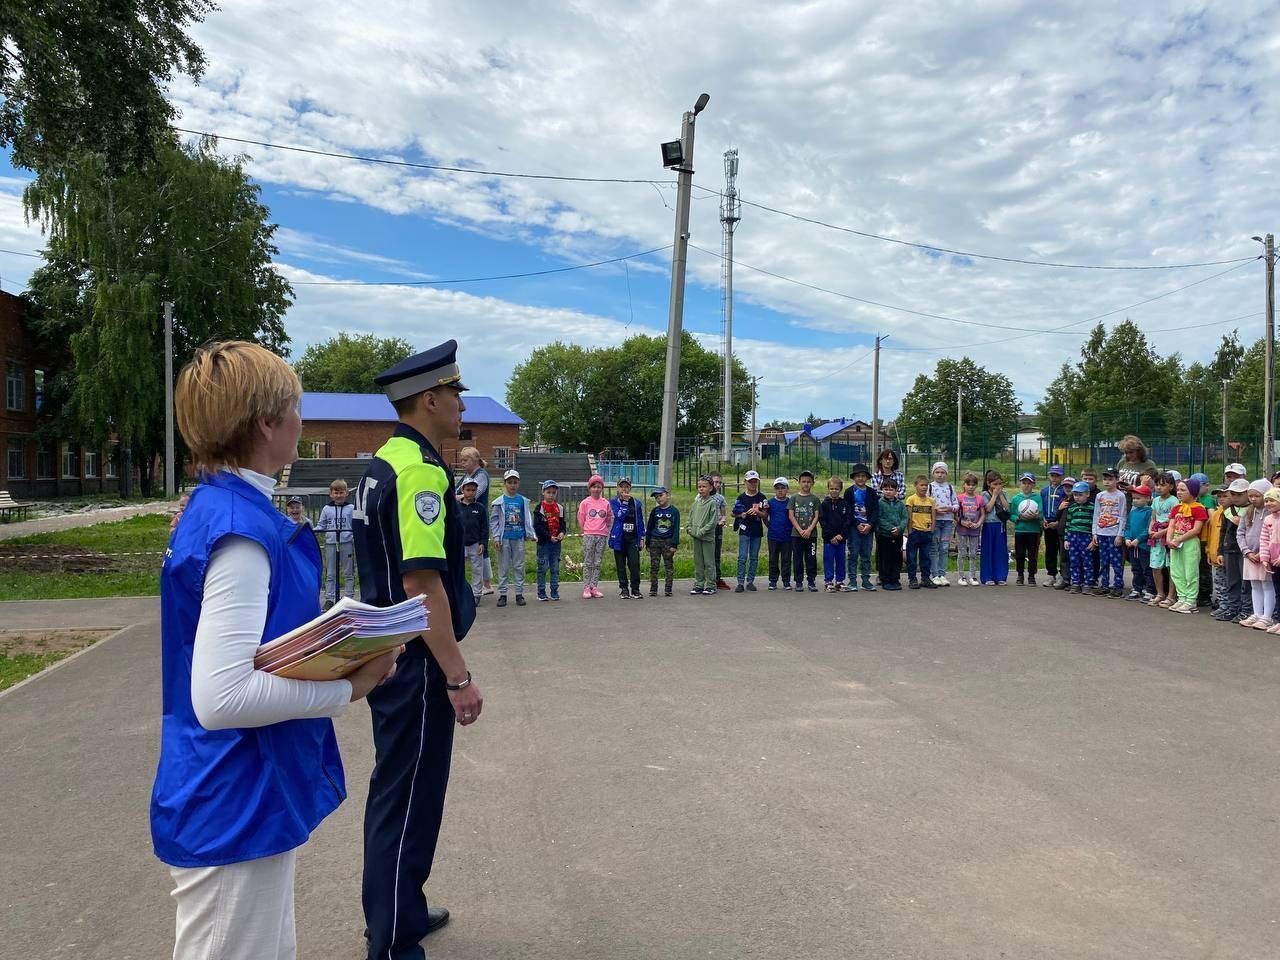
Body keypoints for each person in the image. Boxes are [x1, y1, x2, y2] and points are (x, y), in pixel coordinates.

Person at [154, 340, 399, 960]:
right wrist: (350, 686)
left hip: (240, 793)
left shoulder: (229, 508)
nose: (302, 423)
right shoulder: (241, 530)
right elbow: (222, 696)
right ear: (267, 422)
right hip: (234, 798)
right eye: (295, 409)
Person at [352, 340, 484, 960]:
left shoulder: (383, 463)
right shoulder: (421, 472)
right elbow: (421, 581)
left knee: (398, 788)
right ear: (429, 399)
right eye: (455, 394)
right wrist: (457, 676)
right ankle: (393, 940)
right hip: (418, 660)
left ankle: (399, 909)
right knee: (408, 796)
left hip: (389, 654)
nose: (461, 405)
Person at [489, 468, 535, 608]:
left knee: (519, 566)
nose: (512, 485)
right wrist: (497, 537)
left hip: (518, 537)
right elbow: (494, 521)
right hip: (504, 539)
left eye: (515, 482)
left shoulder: (522, 501)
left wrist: (531, 534)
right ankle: (503, 594)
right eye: (510, 482)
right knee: (503, 566)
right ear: (505, 483)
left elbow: (527, 519)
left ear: (518, 483)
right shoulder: (499, 502)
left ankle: (519, 594)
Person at [1165, 478, 1208, 614]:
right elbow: (1171, 525)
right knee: (1176, 571)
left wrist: (1180, 539)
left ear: (1193, 492)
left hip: (1189, 542)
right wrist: (1169, 539)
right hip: (1175, 541)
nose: (1179, 492)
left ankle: (1191, 601)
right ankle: (1182, 597)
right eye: (1178, 489)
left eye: (1183, 490)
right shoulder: (1176, 508)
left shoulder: (1199, 508)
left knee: (1190, 572)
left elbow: (1196, 529)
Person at [455, 447, 494, 595]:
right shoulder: (467, 475)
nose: (462, 463)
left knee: (482, 550)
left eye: (465, 460)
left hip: (478, 516)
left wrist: (457, 497)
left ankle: (487, 584)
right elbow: (456, 491)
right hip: (465, 516)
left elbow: (472, 495)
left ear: (475, 461)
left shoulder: (482, 475)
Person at [1239, 479, 1274, 629]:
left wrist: (1262, 553)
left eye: (1257, 496)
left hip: (1265, 556)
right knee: (1254, 586)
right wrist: (1246, 552)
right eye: (1251, 496)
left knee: (1267, 585)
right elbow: (1240, 533)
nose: (1253, 499)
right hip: (1250, 556)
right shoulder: (1248, 512)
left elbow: (1272, 536)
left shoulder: (1271, 513)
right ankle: (1258, 614)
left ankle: (1267, 616)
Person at [317, 478, 356, 609]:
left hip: (346, 543)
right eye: (336, 493)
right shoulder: (327, 509)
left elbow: (355, 525)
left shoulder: (351, 508)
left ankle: (349, 597)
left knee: (348, 572)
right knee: (330, 573)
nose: (338, 495)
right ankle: (330, 598)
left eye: (341, 492)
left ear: (346, 493)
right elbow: (321, 525)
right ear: (331, 494)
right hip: (331, 543)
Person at [1217, 478, 1252, 622]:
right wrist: (1220, 551)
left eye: (1239, 494)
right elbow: (1223, 532)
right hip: (1229, 550)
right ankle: (1233, 609)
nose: (1236, 497)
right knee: (1232, 581)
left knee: (1246, 583)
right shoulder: (1228, 511)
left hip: (1244, 551)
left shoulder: (1252, 510)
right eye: (1233, 494)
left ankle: (1247, 610)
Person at [1091, 468, 1127, 597]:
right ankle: (1104, 585)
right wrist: (1094, 532)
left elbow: (1123, 516)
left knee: (1116, 561)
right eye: (1105, 479)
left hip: (1114, 533)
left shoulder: (1120, 496)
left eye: (1110, 479)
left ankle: (1118, 586)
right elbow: (1096, 514)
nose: (1107, 482)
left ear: (1117, 480)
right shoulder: (1100, 496)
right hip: (1102, 532)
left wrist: (1119, 534)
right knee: (1103, 561)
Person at [843, 463, 879, 591]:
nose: (860, 478)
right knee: (853, 554)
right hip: (854, 528)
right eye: (858, 476)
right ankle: (852, 581)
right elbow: (848, 511)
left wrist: (870, 524)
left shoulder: (871, 493)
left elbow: (875, 510)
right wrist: (857, 524)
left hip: (868, 529)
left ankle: (866, 580)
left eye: (863, 476)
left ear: (867, 477)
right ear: (854, 478)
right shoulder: (849, 492)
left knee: (866, 555)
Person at [609, 477, 646, 599]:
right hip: (619, 538)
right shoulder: (613, 502)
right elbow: (619, 516)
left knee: (634, 564)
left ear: (630, 488)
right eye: (621, 486)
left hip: (632, 538)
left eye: (626, 486)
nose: (624, 489)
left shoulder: (636, 503)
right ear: (617, 488)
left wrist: (641, 537)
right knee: (620, 565)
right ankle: (624, 589)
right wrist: (624, 502)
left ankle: (635, 589)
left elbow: (640, 521)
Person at [577, 474, 612, 600]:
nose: (596, 489)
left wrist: (605, 530)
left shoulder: (606, 503)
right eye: (594, 487)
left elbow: (608, 518)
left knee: (597, 562)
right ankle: (586, 587)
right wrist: (586, 530)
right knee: (588, 561)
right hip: (589, 535)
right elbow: (581, 518)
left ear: (602, 488)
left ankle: (594, 586)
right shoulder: (585, 503)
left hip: (601, 535)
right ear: (589, 488)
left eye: (599, 487)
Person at [732, 470, 767, 592]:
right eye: (750, 481)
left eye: (755, 481)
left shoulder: (762, 497)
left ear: (757, 482)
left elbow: (765, 515)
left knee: (754, 557)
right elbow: (733, 513)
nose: (752, 484)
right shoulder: (741, 497)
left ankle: (750, 581)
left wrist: (758, 512)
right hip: (744, 530)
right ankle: (740, 582)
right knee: (742, 557)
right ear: (745, 482)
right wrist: (741, 514)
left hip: (757, 530)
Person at [1147, 472, 1178, 607]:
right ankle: (1160, 593)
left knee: (1172, 566)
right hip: (1156, 537)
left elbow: (1176, 521)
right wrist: (1151, 530)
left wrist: (1163, 533)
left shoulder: (1174, 501)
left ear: (1171, 486)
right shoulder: (1154, 500)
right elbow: (1154, 518)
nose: (1159, 488)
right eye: (1157, 485)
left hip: (1169, 535)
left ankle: (1171, 596)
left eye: (1163, 485)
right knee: (1156, 566)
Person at [532, 480, 566, 602]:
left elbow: (563, 524)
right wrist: (548, 536)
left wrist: (562, 533)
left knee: (555, 567)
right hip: (544, 543)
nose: (551, 495)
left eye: (553, 492)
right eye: (548, 492)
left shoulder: (560, 508)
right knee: (542, 567)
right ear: (543, 492)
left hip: (556, 543)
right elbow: (537, 526)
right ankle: (541, 591)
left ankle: (554, 590)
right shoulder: (539, 508)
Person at [789, 469, 821, 592]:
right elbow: (791, 515)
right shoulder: (794, 498)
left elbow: (816, 516)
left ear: (812, 483)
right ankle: (798, 582)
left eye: (808, 482)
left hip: (811, 535)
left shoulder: (815, 499)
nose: (806, 484)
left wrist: (809, 530)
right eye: (803, 481)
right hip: (796, 535)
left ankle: (811, 581)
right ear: (799, 483)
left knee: (811, 559)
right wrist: (800, 530)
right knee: (797, 559)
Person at [645, 486, 680, 597]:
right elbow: (650, 526)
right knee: (654, 566)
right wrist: (648, 542)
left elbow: (676, 528)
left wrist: (674, 544)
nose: (659, 499)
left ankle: (668, 588)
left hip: (668, 541)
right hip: (655, 541)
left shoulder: (674, 511)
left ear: (667, 495)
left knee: (668, 566)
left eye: (661, 496)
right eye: (656, 497)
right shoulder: (655, 511)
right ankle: (653, 588)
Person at [688, 475, 720, 595]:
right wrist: (689, 528)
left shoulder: (713, 503)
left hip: (707, 538)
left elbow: (713, 521)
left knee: (709, 562)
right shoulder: (696, 502)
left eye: (704, 486)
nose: (701, 489)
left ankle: (711, 584)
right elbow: (690, 517)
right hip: (696, 537)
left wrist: (702, 531)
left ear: (711, 488)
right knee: (698, 562)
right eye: (699, 486)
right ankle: (699, 584)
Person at [1009, 471, 1043, 586]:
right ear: (1020, 484)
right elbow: (1011, 514)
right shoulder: (1016, 498)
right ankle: (1020, 575)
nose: (1026, 485)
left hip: (1034, 531)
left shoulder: (1038, 497)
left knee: (1033, 554)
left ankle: (1032, 576)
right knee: (1020, 554)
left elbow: (1042, 514)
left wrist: (1037, 516)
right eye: (1024, 483)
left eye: (1029, 483)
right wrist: (1019, 517)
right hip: (1020, 530)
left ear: (1033, 484)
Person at [458, 480, 488, 604]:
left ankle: (476, 594)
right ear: (462, 491)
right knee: (459, 569)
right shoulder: (456, 507)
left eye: (473, 490)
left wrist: (483, 543)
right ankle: (460, 592)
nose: (471, 493)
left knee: (477, 569)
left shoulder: (480, 508)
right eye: (468, 490)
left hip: (475, 543)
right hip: (460, 544)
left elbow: (484, 527)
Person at [1039, 465, 1070, 588]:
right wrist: (1043, 519)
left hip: (1060, 524)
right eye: (1052, 475)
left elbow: (1065, 508)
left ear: (1062, 476)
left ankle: (1063, 575)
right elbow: (1041, 507)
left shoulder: (1065, 490)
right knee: (1050, 550)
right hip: (1048, 524)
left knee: (1062, 551)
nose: (1055, 478)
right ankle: (1051, 573)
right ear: (1048, 476)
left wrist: (1058, 522)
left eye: (1057, 475)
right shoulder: (1044, 491)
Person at [928, 462, 957, 586]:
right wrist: (935, 510)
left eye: (942, 472)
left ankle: (942, 574)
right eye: (937, 472)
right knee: (934, 547)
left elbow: (956, 504)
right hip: (935, 521)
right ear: (933, 473)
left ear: (946, 474)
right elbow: (925, 504)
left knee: (944, 547)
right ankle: (934, 574)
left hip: (947, 521)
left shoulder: (950, 487)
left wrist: (950, 508)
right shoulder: (929, 487)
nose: (940, 475)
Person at [1063, 481, 1095, 594]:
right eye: (1075, 495)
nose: (1077, 497)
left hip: (1086, 536)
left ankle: (1087, 583)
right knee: (1074, 561)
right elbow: (1067, 524)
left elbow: (1094, 525)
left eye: (1080, 495)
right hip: (1073, 536)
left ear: (1087, 494)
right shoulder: (1072, 507)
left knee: (1087, 561)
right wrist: (1066, 539)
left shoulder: (1092, 507)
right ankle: (1076, 582)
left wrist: (1093, 540)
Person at [904, 475, 936, 589]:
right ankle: (912, 579)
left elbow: (933, 516)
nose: (924, 487)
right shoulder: (911, 499)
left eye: (926, 485)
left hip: (926, 532)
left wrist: (932, 530)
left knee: (925, 558)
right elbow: (909, 516)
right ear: (915, 486)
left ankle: (925, 578)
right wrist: (909, 531)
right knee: (911, 557)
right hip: (915, 532)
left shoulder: (931, 501)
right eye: (921, 485)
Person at [819, 476, 850, 592]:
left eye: (836, 489)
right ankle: (828, 581)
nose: (834, 491)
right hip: (829, 539)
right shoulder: (824, 504)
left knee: (841, 559)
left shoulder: (845, 504)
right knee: (828, 559)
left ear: (840, 489)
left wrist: (841, 535)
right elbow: (823, 521)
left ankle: (840, 581)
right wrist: (831, 536)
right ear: (828, 489)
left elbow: (848, 520)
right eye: (831, 488)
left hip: (841, 538)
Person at [1124, 484, 1154, 601]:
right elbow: (1127, 527)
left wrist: (1138, 539)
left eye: (1138, 498)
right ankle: (1137, 588)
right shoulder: (1133, 512)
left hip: (1143, 546)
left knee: (1146, 568)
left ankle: (1149, 590)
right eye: (1134, 498)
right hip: (1132, 545)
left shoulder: (1149, 512)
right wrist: (1127, 538)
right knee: (1135, 568)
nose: (1135, 500)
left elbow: (1148, 528)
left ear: (1147, 498)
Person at [979, 470, 1010, 586]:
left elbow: (1007, 508)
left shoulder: (1004, 493)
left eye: (999, 484)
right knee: (988, 550)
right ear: (988, 483)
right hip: (988, 524)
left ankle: (1001, 576)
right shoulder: (984, 494)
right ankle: (987, 576)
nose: (998, 486)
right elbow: (987, 509)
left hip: (1000, 524)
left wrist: (1001, 495)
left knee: (1001, 551)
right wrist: (995, 495)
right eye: (995, 484)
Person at [875, 478, 906, 590]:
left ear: (896, 491)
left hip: (898, 536)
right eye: (886, 489)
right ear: (881, 490)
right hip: (884, 536)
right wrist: (890, 528)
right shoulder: (879, 503)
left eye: (891, 489)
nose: (888, 491)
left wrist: (900, 528)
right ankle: (886, 580)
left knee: (896, 558)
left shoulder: (900, 504)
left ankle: (895, 579)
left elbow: (904, 518)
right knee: (885, 558)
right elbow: (879, 519)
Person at [955, 471, 983, 586]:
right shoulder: (959, 498)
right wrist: (961, 522)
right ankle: (961, 576)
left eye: (973, 484)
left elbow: (983, 514)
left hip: (975, 530)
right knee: (962, 553)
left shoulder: (979, 498)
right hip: (962, 530)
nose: (971, 487)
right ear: (964, 485)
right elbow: (955, 514)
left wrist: (978, 524)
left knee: (973, 553)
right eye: (968, 484)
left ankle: (973, 576)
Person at [766, 477, 794, 590]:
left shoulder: (791, 502)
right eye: (777, 488)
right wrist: (770, 526)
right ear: (774, 489)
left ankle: (786, 581)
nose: (780, 490)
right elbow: (765, 516)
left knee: (786, 559)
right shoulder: (770, 502)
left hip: (787, 536)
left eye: (783, 488)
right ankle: (773, 581)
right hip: (773, 536)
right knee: (773, 559)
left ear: (787, 489)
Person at [1205, 484, 1227, 613]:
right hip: (1214, 554)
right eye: (1219, 496)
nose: (1221, 499)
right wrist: (1208, 551)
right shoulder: (1215, 514)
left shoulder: (1229, 513)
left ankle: (1228, 605)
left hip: (1226, 555)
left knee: (1229, 582)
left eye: (1225, 496)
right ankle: (1221, 603)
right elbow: (1209, 534)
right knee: (1219, 581)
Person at [1260, 488, 1280, 633]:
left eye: (1272, 500)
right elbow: (1264, 539)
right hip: (1274, 562)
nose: (1268, 503)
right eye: (1266, 500)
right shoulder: (1268, 519)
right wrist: (1265, 558)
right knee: (1278, 592)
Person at [710, 471, 730, 590]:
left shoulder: (720, 498)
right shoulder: (701, 495)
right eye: (715, 482)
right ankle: (706, 579)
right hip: (707, 529)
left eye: (719, 482)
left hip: (717, 528)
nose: (717, 484)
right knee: (706, 555)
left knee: (716, 554)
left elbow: (723, 513)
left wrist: (723, 520)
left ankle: (717, 578)